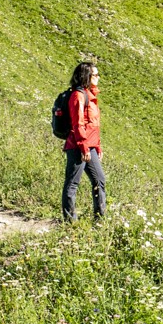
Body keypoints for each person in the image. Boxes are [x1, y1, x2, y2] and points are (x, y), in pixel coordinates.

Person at [61, 60, 105, 222]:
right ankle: (70, 222)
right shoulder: (78, 96)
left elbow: (93, 125)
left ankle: (100, 220)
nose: (98, 78)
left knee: (99, 181)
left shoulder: (90, 96)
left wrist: (97, 147)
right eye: (95, 75)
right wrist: (84, 147)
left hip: (90, 146)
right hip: (78, 147)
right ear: (86, 76)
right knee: (72, 184)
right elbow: (78, 124)